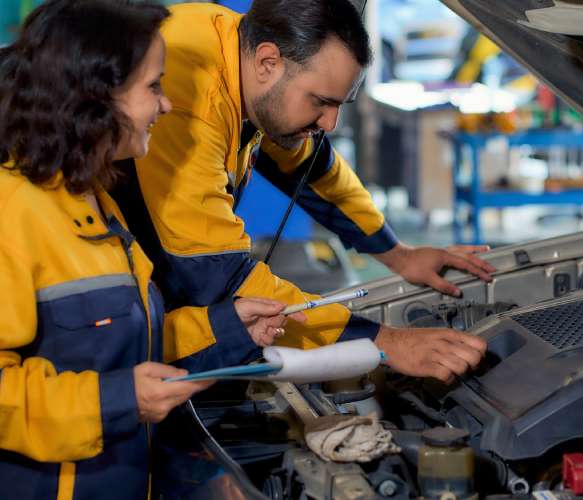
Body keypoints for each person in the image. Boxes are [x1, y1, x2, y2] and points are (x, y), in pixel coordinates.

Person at [0, 1, 302, 498]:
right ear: (96, 97)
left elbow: (124, 342)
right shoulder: (15, 214)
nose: (165, 104)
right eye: (153, 86)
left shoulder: (97, 204)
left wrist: (228, 326)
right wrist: (118, 400)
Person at [117, 0, 489, 384]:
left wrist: (397, 254)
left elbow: (313, 167)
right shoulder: (188, 97)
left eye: (339, 104)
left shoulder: (244, 51)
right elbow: (221, 277)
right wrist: (385, 343)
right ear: (267, 63)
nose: (330, 123)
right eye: (321, 102)